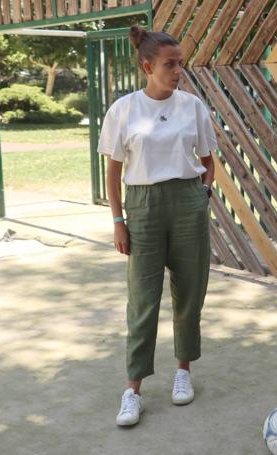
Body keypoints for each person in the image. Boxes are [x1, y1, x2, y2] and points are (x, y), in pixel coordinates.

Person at [97, 25, 217, 427]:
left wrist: (202, 197)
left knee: (189, 292)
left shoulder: (193, 106)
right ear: (147, 66)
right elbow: (113, 172)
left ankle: (184, 371)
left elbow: (209, 159)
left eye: (181, 63)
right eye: (170, 64)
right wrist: (118, 220)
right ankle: (133, 390)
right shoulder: (123, 110)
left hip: (188, 201)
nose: (178, 70)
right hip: (143, 205)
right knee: (143, 300)